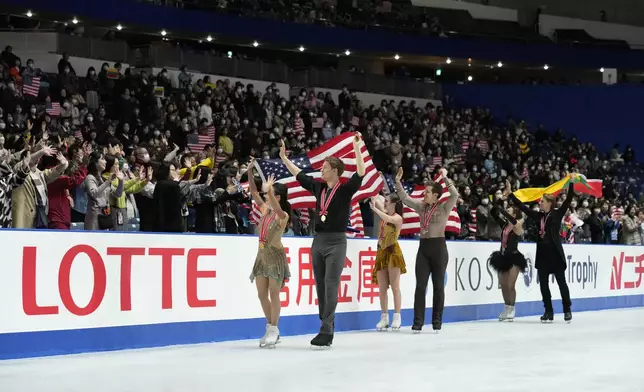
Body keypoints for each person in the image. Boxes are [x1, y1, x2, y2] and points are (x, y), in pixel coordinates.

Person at [279, 134, 365, 348]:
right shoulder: (319, 188)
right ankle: (326, 324)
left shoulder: (345, 190)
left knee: (330, 284)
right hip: (318, 240)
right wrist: (283, 158)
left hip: (337, 241)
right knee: (321, 286)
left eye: (325, 167)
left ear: (335, 171)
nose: (321, 170)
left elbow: (361, 173)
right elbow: (299, 175)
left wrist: (357, 148)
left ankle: (326, 330)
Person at [395, 166, 458, 333]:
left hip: (438, 248)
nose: (424, 194)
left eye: (428, 192)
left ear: (436, 195)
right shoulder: (421, 206)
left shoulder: (444, 207)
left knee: (438, 286)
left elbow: (455, 195)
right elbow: (405, 198)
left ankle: (437, 321)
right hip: (423, 249)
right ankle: (418, 322)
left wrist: (445, 177)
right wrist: (397, 182)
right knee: (420, 286)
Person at [509, 174, 578, 323]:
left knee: (561, 283)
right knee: (544, 285)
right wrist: (510, 194)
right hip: (543, 254)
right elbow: (522, 207)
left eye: (542, 201)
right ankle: (548, 311)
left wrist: (571, 183)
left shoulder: (557, 214)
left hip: (555, 253)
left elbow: (568, 200)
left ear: (549, 203)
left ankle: (567, 309)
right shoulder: (538, 216)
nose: (540, 203)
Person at [248, 159, 291, 348]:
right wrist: (250, 172)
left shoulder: (283, 216)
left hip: (275, 257)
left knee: (274, 293)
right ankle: (270, 326)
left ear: (278, 197)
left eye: (271, 195)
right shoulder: (265, 210)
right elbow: (254, 192)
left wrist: (270, 191)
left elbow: (276, 205)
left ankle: (274, 328)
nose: (266, 198)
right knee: (261, 294)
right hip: (262, 256)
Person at [489, 181, 527, 322]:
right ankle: (506, 308)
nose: (508, 210)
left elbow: (509, 216)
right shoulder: (505, 224)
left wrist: (504, 206)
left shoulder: (517, 226)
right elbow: (494, 211)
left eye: (510, 209)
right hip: (503, 256)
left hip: (514, 257)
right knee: (503, 285)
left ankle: (512, 308)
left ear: (515, 212)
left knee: (511, 285)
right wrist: (501, 200)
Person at [369, 193, 406, 331]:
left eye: (387, 201)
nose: (384, 203)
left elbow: (387, 217)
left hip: (393, 252)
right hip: (381, 252)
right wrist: (373, 194)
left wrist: (375, 209)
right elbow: (378, 202)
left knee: (395, 286)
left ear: (394, 203)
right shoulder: (384, 212)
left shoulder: (397, 218)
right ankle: (384, 317)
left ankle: (397, 316)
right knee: (382, 287)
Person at [84, 151, 124, 231]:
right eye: (102, 159)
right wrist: (108, 181)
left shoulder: (103, 179)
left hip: (105, 215)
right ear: (95, 162)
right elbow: (94, 193)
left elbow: (118, 194)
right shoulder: (90, 177)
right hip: (94, 216)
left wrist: (121, 181)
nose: (105, 161)